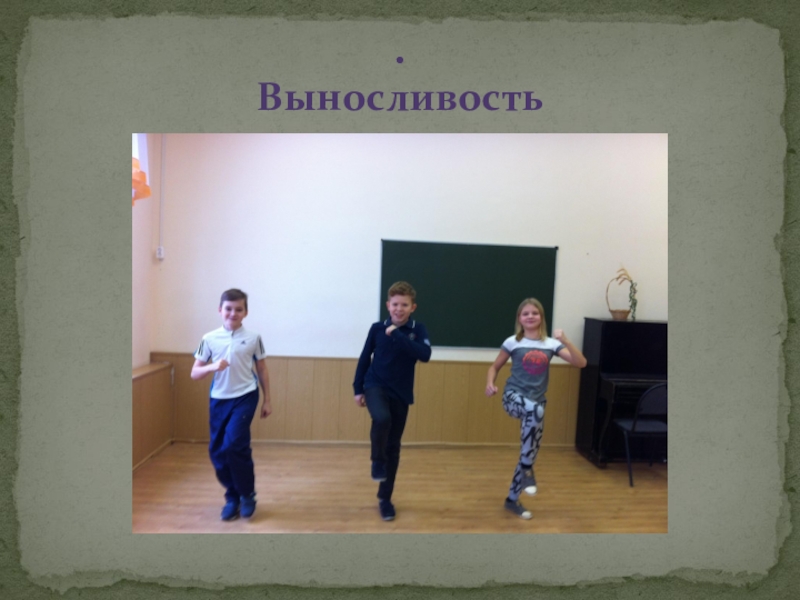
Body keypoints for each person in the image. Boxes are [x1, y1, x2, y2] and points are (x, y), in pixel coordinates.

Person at [485, 298, 587, 520]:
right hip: (513, 398)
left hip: (537, 407)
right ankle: (527, 469)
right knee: (534, 416)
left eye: (535, 313)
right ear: (519, 319)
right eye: (525, 313)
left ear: (541, 317)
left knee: (528, 453)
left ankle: (512, 499)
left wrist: (566, 341)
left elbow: (581, 363)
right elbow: (494, 367)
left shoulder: (551, 344)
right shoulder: (513, 342)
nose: (530, 316)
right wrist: (490, 383)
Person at [191, 288, 272, 521]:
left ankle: (247, 495)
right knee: (218, 451)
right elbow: (194, 373)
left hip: (246, 396)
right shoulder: (209, 338)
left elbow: (262, 369)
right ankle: (232, 496)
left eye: (238, 309)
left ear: (245, 312)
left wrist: (267, 400)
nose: (233, 313)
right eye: (228, 309)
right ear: (220, 310)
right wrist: (211, 366)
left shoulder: (254, 338)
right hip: (219, 399)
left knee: (235, 443)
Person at [353, 281, 432, 521]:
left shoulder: (418, 330)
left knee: (394, 446)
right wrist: (357, 389)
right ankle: (377, 461)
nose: (399, 309)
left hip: (401, 393)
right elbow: (365, 357)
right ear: (388, 305)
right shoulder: (377, 328)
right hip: (375, 385)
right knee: (381, 418)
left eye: (404, 305)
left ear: (412, 307)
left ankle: (385, 499)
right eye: (395, 304)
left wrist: (397, 334)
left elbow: (424, 355)